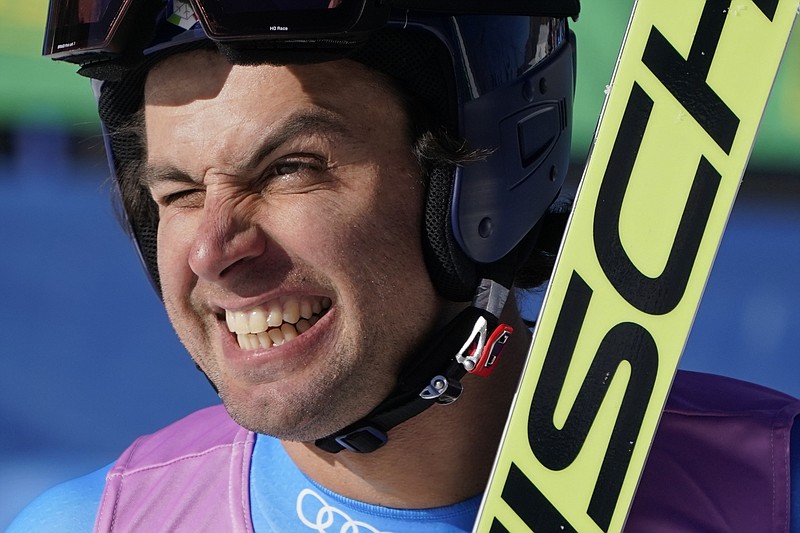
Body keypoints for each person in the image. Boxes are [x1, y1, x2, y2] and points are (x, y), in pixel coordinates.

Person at [10, 0, 800, 531]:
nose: (214, 250)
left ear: (482, 183)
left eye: (290, 169)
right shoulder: (94, 522)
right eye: (178, 192)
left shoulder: (771, 490)